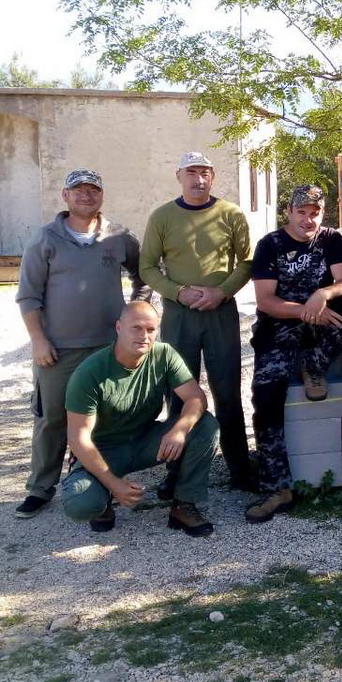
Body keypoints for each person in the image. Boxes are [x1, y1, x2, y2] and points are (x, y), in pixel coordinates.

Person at [13, 169, 149, 519]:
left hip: (108, 346)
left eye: (93, 190)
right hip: (58, 350)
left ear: (101, 195)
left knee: (102, 420)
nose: (86, 196)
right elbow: (28, 296)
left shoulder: (118, 236)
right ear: (65, 195)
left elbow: (144, 275)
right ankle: (40, 489)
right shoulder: (45, 239)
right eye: (78, 190)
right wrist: (38, 340)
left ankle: (96, 484)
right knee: (52, 419)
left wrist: (134, 316)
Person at [139, 151, 253, 490]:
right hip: (179, 316)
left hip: (220, 313)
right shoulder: (162, 217)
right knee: (178, 394)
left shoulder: (230, 214)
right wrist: (178, 292)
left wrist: (223, 292)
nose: (198, 179)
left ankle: (239, 469)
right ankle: (176, 472)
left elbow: (247, 262)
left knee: (227, 392)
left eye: (205, 172)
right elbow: (147, 267)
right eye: (191, 172)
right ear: (179, 176)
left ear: (213, 177)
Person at [245, 185, 342, 523]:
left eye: (314, 213)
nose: (308, 220)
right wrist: (305, 311)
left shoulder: (331, 239)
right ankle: (277, 487)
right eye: (302, 212)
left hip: (321, 321)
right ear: (289, 212)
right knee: (266, 394)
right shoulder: (270, 245)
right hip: (281, 325)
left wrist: (323, 294)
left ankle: (314, 365)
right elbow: (266, 301)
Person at [61, 301, 219, 537]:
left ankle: (184, 504)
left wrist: (179, 430)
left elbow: (196, 397)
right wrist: (114, 484)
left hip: (145, 440)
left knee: (206, 425)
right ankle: (102, 502)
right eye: (136, 328)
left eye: (151, 329)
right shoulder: (90, 372)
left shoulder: (164, 354)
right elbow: (78, 438)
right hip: (103, 449)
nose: (144, 336)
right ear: (119, 327)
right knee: (81, 505)